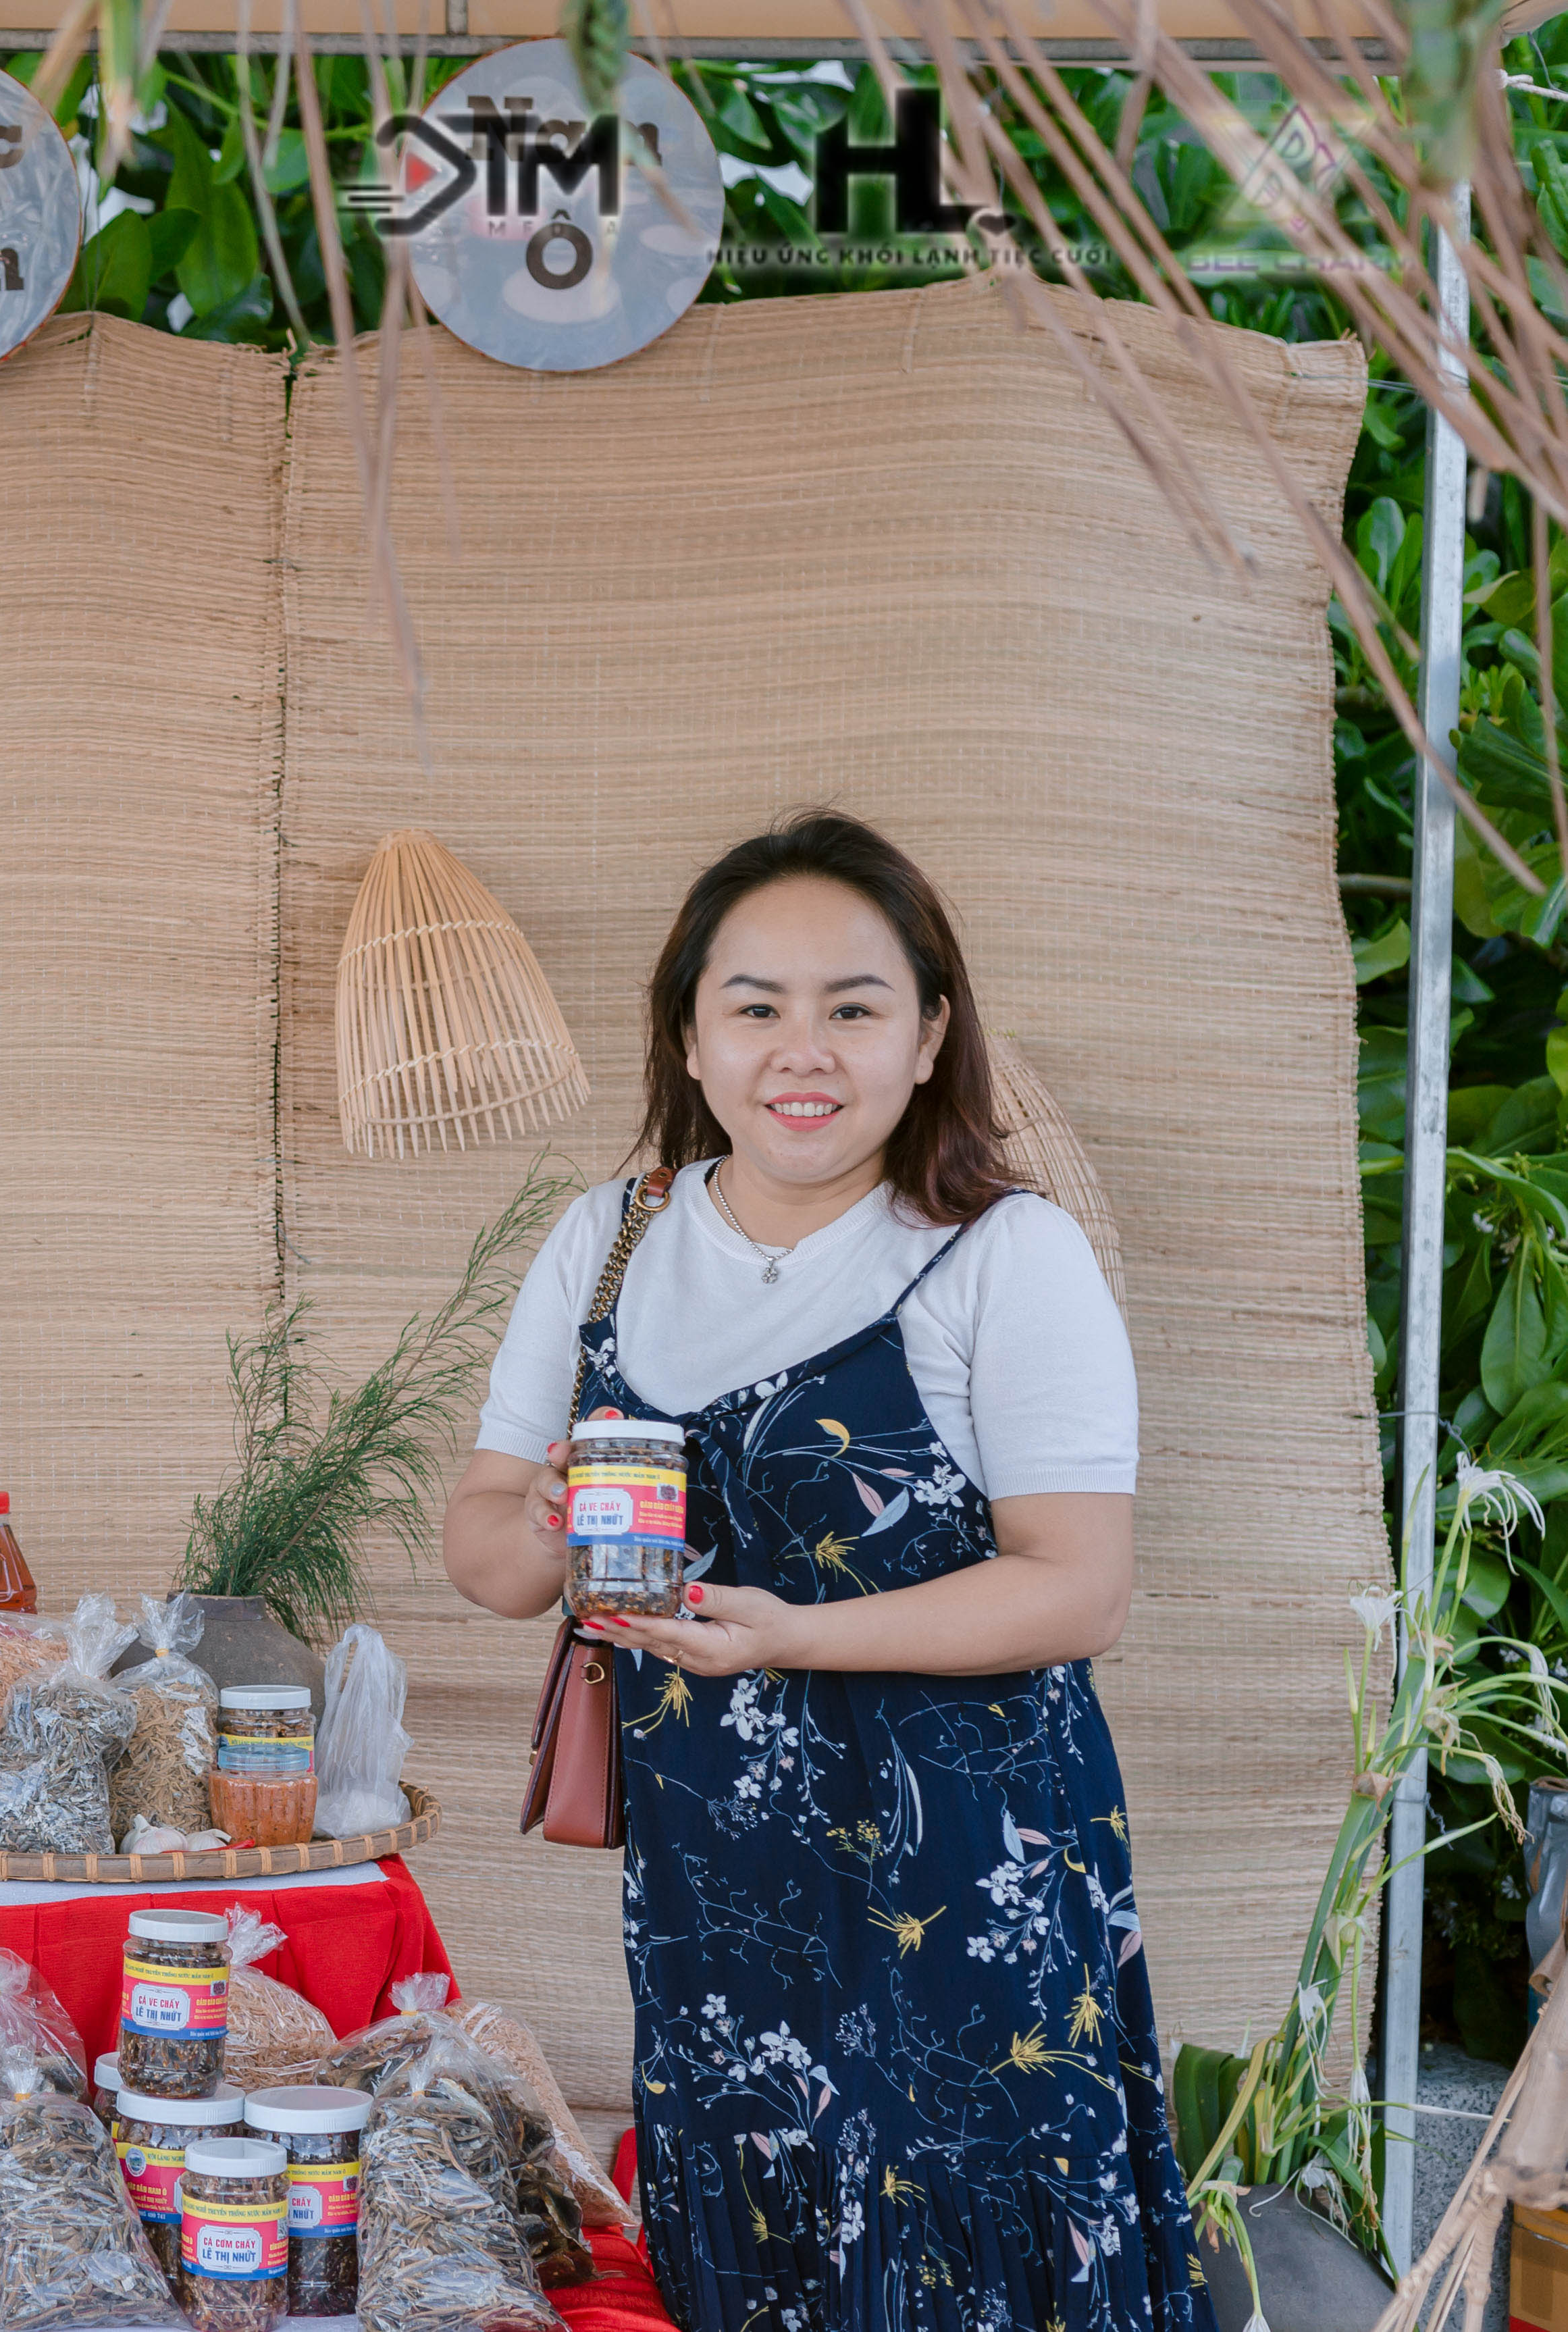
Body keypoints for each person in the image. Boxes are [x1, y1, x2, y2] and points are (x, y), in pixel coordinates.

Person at [443, 809, 1207, 2332]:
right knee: (755, 2234)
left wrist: (793, 1631)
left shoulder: (999, 1251)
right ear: (688, 1034)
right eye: (755, 1006)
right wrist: (544, 1519)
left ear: (928, 1034)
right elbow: (483, 1544)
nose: (804, 1050)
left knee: (971, 2237)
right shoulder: (609, 1237)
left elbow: (1078, 1584)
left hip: (964, 1861)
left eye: (853, 1006)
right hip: (720, 1880)